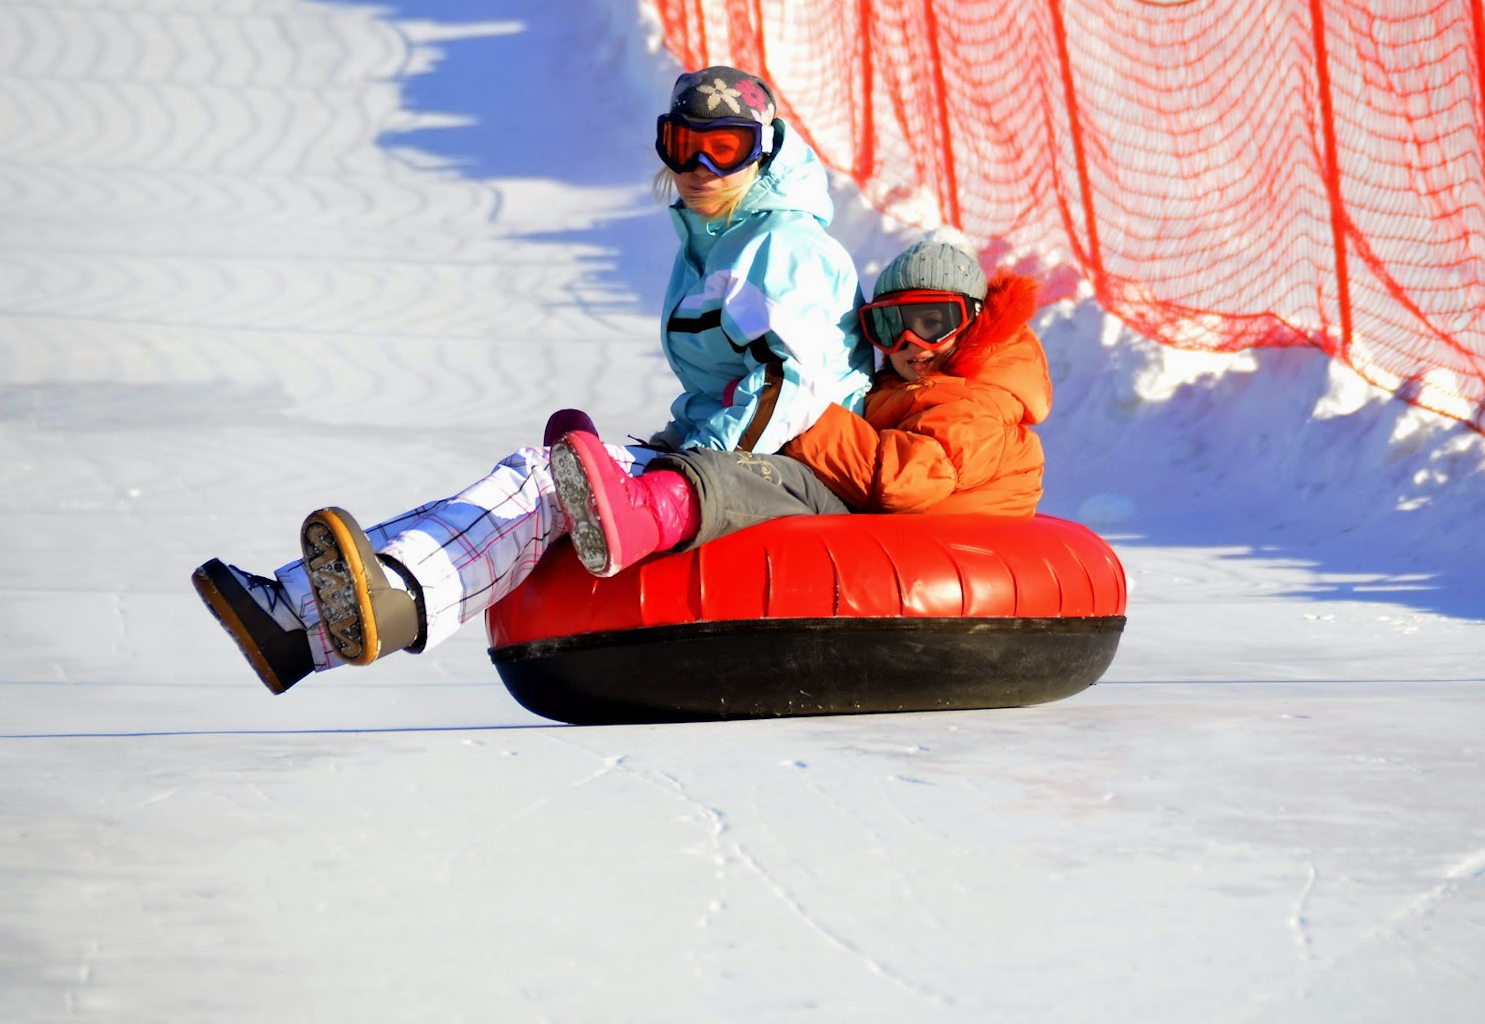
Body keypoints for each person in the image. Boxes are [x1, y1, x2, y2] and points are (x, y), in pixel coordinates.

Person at [191, 65, 873, 693]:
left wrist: (693, 462)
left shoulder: (783, 246)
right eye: (681, 142)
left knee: (545, 483)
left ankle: (388, 598)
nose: (698, 166)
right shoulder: (712, 240)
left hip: (788, 466)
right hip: (734, 451)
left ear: (764, 148)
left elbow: (791, 381)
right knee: (538, 474)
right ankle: (301, 616)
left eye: (722, 148)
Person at [547, 236, 1049, 577]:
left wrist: (806, 416)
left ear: (976, 322)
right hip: (886, 529)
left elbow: (902, 481)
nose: (912, 343)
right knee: (776, 464)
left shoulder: (978, 401)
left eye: (934, 321)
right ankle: (620, 481)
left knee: (777, 479)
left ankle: (650, 510)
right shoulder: (907, 387)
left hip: (925, 547)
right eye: (891, 327)